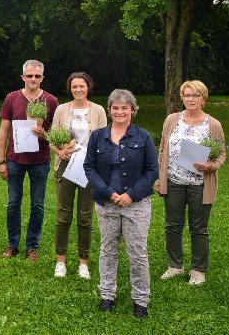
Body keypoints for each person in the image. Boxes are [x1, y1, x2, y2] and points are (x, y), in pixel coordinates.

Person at [84, 89, 158, 318]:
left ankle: (141, 299)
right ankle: (107, 294)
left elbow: (151, 171)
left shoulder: (143, 136)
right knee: (108, 250)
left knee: (137, 252)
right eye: (115, 108)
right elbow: (89, 168)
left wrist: (131, 195)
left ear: (132, 110)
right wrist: (108, 193)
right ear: (109, 110)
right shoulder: (97, 136)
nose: (120, 112)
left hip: (136, 204)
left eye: (125, 108)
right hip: (107, 204)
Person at [155, 80, 227, 285]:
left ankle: (198, 270)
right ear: (182, 98)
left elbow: (221, 153)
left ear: (203, 99)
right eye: (187, 95)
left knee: (198, 228)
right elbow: (162, 150)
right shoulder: (172, 120)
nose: (190, 99)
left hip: (200, 184)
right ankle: (175, 265)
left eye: (195, 95)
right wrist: (161, 178)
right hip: (174, 181)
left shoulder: (213, 124)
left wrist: (211, 166)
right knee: (172, 225)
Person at [0, 60, 58, 261]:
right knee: (13, 202)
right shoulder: (12, 98)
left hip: (40, 161)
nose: (33, 79)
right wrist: (1, 161)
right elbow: (4, 130)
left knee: (38, 205)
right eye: (29, 75)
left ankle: (32, 246)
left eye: (37, 76)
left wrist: (44, 134)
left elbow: (56, 135)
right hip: (15, 159)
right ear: (23, 77)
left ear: (42, 78)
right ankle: (12, 244)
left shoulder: (51, 101)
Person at [49, 72, 107, 279]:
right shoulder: (62, 109)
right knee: (63, 215)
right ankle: (61, 261)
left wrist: (86, 151)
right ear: (70, 88)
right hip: (65, 166)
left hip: (89, 168)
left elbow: (103, 140)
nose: (78, 90)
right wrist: (60, 150)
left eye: (81, 86)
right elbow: (52, 137)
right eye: (74, 87)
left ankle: (83, 262)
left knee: (85, 217)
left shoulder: (98, 110)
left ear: (88, 87)